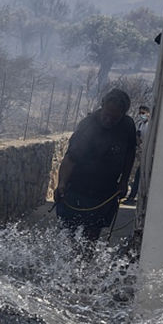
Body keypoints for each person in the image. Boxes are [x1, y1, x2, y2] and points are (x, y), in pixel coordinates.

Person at [54, 88, 137, 241]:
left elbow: (129, 154)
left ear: (123, 114)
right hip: (77, 188)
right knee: (68, 233)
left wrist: (124, 181)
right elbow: (70, 159)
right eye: (106, 115)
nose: (109, 120)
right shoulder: (87, 126)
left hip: (105, 191)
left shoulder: (127, 126)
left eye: (114, 118)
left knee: (92, 234)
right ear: (102, 105)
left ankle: (84, 263)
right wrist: (62, 184)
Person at [125, 105, 151, 204]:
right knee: (138, 176)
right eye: (140, 113)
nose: (141, 115)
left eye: (143, 113)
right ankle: (132, 196)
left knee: (140, 176)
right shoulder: (141, 125)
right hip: (142, 154)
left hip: (148, 155)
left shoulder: (150, 125)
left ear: (148, 114)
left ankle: (135, 197)